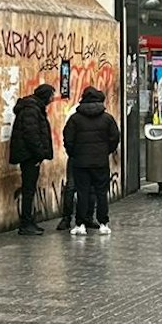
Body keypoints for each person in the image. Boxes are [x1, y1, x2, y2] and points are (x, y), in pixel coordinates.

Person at [62, 86, 120, 234]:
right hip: (100, 162)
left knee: (82, 192)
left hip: (80, 162)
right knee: (101, 193)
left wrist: (74, 153)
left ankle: (80, 224)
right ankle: (103, 223)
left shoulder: (75, 118)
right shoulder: (107, 118)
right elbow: (115, 138)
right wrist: (105, 151)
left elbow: (68, 139)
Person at [6, 82, 55, 236]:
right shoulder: (31, 110)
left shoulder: (33, 108)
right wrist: (39, 154)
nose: (52, 99)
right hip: (29, 156)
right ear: (45, 96)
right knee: (28, 189)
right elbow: (31, 135)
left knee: (30, 189)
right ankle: (26, 223)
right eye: (51, 96)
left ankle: (29, 221)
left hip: (29, 155)